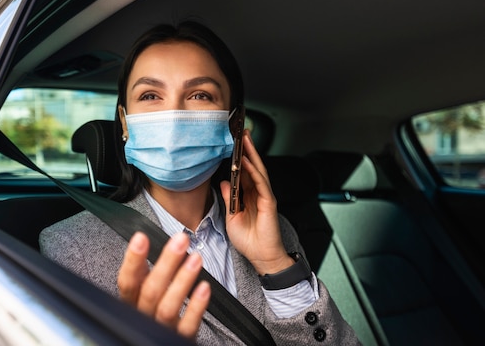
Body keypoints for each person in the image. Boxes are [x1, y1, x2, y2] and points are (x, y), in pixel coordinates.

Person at [40, 20, 359, 345]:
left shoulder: (276, 232)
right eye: (150, 95)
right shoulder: (71, 249)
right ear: (124, 122)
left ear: (234, 123)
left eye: (200, 95)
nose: (175, 114)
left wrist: (274, 264)